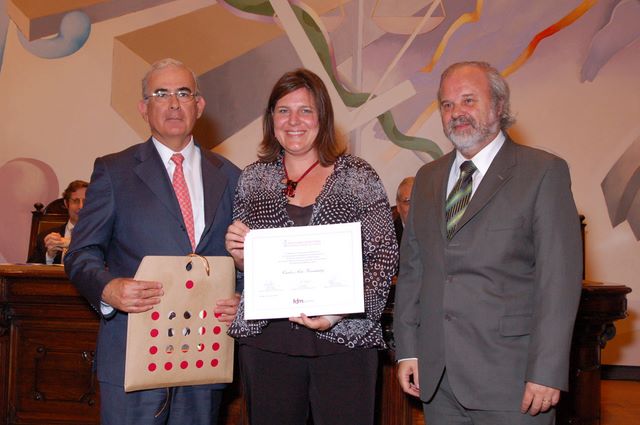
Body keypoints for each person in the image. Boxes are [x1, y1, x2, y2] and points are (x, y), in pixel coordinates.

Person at [393, 61, 583, 425]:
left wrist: (547, 370)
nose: (456, 113)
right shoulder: (427, 178)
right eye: (447, 104)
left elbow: (558, 282)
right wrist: (408, 351)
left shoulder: (543, 172)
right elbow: (413, 270)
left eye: (468, 100)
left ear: (498, 106)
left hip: (513, 380)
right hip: (438, 381)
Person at [64, 58, 241, 425]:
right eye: (161, 94)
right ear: (143, 108)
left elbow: (242, 255)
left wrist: (242, 295)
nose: (173, 104)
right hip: (133, 351)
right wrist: (108, 289)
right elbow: (81, 253)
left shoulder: (230, 176)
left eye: (183, 93)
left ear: (199, 105)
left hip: (204, 354)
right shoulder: (113, 171)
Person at [224, 68, 398, 425]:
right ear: (271, 119)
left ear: (323, 117)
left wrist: (335, 314)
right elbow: (248, 269)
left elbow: (383, 258)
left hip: (345, 340)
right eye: (283, 110)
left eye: (306, 110)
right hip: (268, 342)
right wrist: (241, 260)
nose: (294, 121)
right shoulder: (252, 179)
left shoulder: (357, 175)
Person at [28, 179, 88, 264]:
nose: (81, 206)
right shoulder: (44, 237)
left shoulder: (103, 236)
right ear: (66, 203)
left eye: (86, 201)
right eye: (75, 201)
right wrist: (49, 257)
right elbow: (30, 269)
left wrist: (72, 243)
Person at [393, 176, 414, 245]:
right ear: (398, 206)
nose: (413, 207)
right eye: (407, 201)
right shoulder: (391, 238)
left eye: (418, 200)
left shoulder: (435, 229)